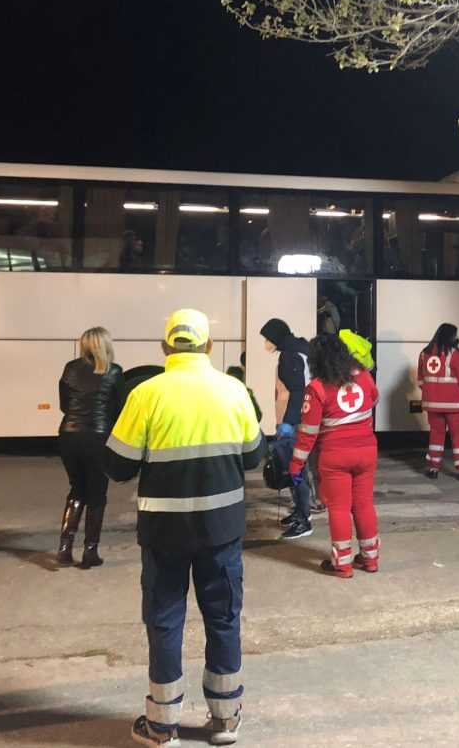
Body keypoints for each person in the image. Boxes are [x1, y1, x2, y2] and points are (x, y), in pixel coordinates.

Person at [105, 308, 263, 747]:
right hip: (222, 531)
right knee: (224, 617)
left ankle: (161, 727)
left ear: (165, 347)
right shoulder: (234, 391)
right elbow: (254, 457)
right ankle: (225, 720)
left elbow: (117, 466)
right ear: (209, 346)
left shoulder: (146, 394)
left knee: (165, 620)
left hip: (163, 534)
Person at [288, 335, 380, 578]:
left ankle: (343, 564)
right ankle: (370, 559)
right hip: (367, 450)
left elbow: (308, 433)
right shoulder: (363, 376)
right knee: (363, 504)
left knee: (339, 508)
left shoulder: (316, 388)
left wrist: (296, 465)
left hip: (335, 456)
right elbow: (374, 399)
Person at [56, 327, 125, 568]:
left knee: (77, 490)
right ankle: (90, 551)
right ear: (106, 345)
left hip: (68, 435)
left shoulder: (70, 368)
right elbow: (119, 409)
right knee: (97, 495)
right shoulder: (114, 372)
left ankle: (64, 548)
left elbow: (64, 404)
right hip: (97, 438)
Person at [259, 318, 313, 539]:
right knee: (297, 467)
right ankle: (301, 511)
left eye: (267, 339)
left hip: (294, 421)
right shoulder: (299, 347)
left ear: (276, 337)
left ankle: (303, 519)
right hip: (303, 418)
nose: (265, 344)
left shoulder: (289, 354)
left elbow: (294, 391)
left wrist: (285, 423)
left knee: (295, 468)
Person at [417, 323, 459, 480]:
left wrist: (432, 395)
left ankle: (433, 468)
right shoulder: (455, 354)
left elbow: (421, 381)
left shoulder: (424, 354)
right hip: (455, 406)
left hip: (432, 405)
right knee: (458, 437)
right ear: (451, 337)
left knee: (436, 436)